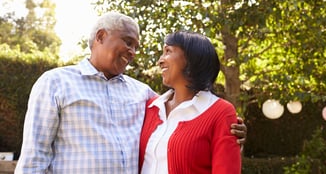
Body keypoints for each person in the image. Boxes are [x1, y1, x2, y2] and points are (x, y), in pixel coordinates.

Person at [15, 12, 246, 174]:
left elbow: (190, 112)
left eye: (136, 46)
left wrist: (230, 133)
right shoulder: (55, 83)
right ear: (101, 37)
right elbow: (34, 157)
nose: (133, 52)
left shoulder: (144, 94)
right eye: (128, 42)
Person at [139, 31, 241, 174]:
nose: (160, 61)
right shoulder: (151, 107)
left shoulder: (221, 112)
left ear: (192, 58)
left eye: (168, 51)